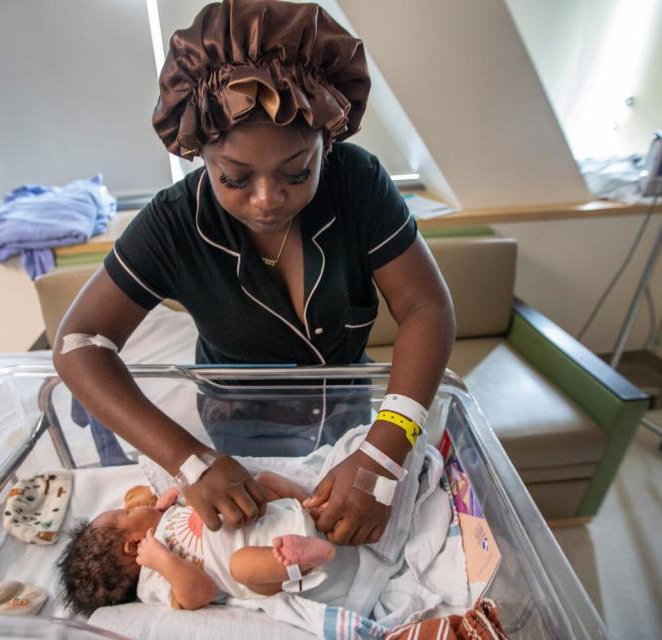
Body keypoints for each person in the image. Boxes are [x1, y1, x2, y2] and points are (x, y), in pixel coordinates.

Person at [53, 0, 455, 547]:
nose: (268, 201)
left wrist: (382, 454)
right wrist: (190, 462)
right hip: (239, 425)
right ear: (200, 154)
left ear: (326, 142)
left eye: (296, 173)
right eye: (235, 179)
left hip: (350, 412)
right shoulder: (176, 223)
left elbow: (425, 308)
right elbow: (79, 343)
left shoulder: (357, 184)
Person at [58, 473, 339, 615]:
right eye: (128, 513)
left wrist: (172, 503)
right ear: (132, 546)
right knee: (240, 565)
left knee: (262, 481)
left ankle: (311, 506)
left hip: (268, 518)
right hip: (267, 565)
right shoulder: (153, 580)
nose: (132, 507)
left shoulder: (166, 516)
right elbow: (199, 593)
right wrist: (163, 561)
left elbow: (199, 497)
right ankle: (307, 557)